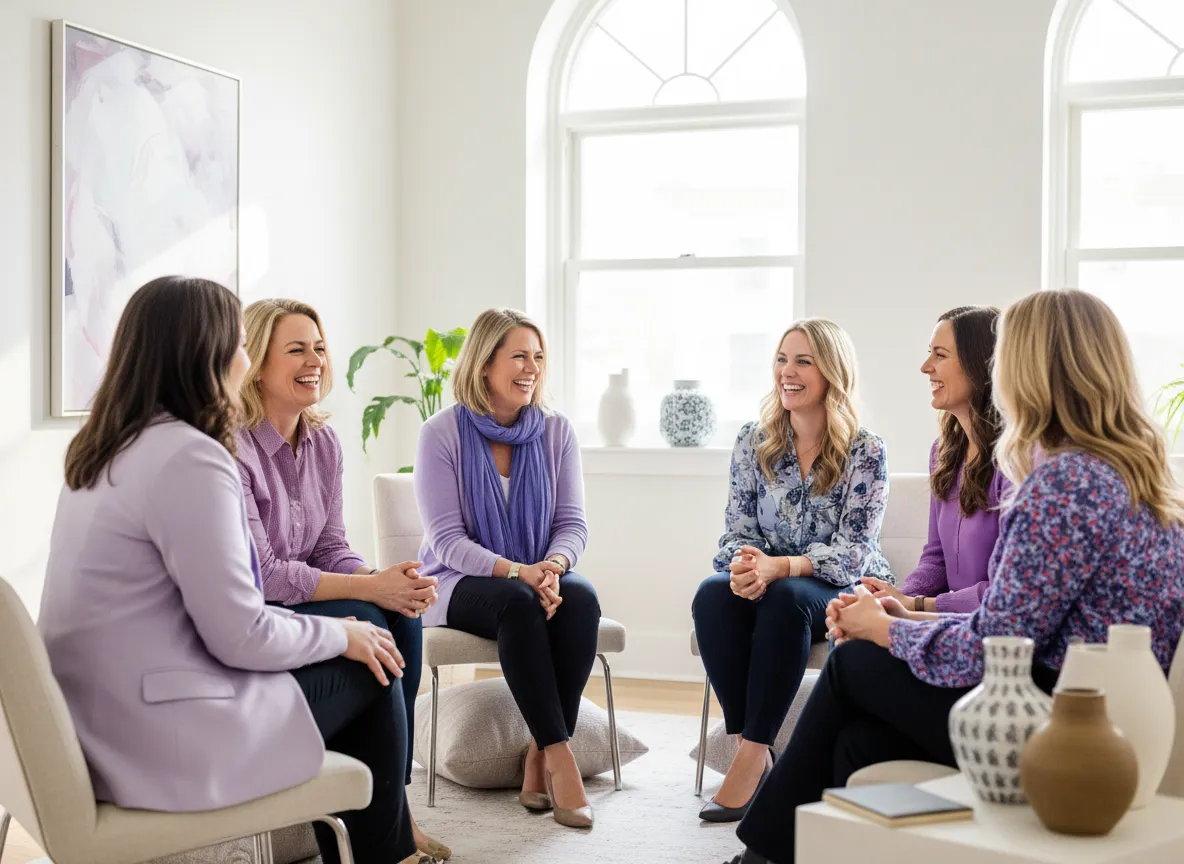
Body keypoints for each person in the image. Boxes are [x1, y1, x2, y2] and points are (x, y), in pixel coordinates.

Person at [723, 290, 1184, 864]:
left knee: (854, 664)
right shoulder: (1128, 471)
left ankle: (757, 858)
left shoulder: (1064, 484)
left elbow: (998, 647)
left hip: (1064, 727)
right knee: (856, 744)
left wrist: (886, 630)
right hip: (1093, 710)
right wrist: (904, 609)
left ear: (1032, 365)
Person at [38, 276, 423, 864]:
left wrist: (364, 604)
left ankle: (375, 837)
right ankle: (390, 850)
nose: (243, 358)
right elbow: (241, 632)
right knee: (375, 662)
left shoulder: (102, 450)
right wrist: (344, 632)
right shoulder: (193, 457)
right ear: (208, 352)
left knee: (374, 633)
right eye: (242, 343)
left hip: (97, 722)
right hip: (162, 737)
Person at [236, 298, 448, 861]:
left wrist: (383, 578)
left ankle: (395, 805)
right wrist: (366, 590)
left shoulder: (323, 444)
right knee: (375, 619)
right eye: (297, 349)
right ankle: (387, 831)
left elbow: (331, 547)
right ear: (257, 363)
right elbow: (267, 576)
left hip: (314, 600)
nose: (315, 361)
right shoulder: (234, 448)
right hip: (270, 613)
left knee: (400, 610)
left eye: (320, 347)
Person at [692, 318, 893, 823]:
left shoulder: (865, 451)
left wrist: (782, 567)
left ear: (832, 372)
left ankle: (752, 754)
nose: (788, 371)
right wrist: (745, 565)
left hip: (832, 581)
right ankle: (744, 739)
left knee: (786, 599)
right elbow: (735, 531)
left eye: (804, 361)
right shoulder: (752, 440)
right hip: (768, 575)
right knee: (712, 595)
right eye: (782, 359)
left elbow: (853, 552)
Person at [414, 307, 598, 829]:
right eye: (519, 356)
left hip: (540, 571)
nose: (532, 368)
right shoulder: (441, 433)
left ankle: (537, 753)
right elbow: (447, 543)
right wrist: (520, 572)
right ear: (484, 363)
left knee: (581, 600)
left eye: (538, 357)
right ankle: (561, 757)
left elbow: (573, 524)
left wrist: (554, 565)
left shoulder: (556, 432)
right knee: (519, 605)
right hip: (459, 581)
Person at [862, 306, 1009, 616]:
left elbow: (1006, 590)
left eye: (940, 355)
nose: (925, 367)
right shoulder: (942, 452)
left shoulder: (1015, 460)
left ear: (980, 364)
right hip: (944, 614)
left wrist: (916, 605)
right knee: (852, 628)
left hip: (987, 624)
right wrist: (895, 599)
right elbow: (936, 559)